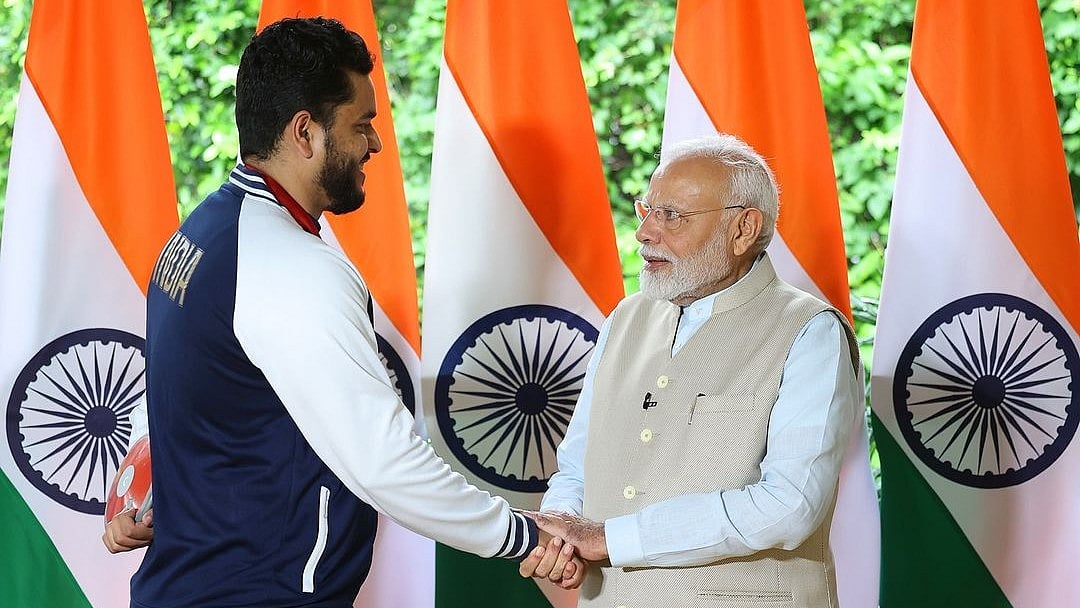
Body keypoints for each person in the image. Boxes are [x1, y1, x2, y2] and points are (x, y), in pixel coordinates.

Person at [100, 18, 578, 606]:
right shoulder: (291, 267)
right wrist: (522, 536)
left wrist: (139, 490)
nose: (375, 144)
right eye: (362, 124)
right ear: (305, 132)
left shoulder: (203, 232)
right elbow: (385, 463)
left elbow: (192, 395)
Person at [519, 134, 862, 607]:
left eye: (672, 216)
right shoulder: (625, 318)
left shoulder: (809, 331)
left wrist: (609, 538)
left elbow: (791, 504)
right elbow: (577, 466)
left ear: (744, 229)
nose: (644, 233)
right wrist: (561, 534)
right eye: (648, 211)